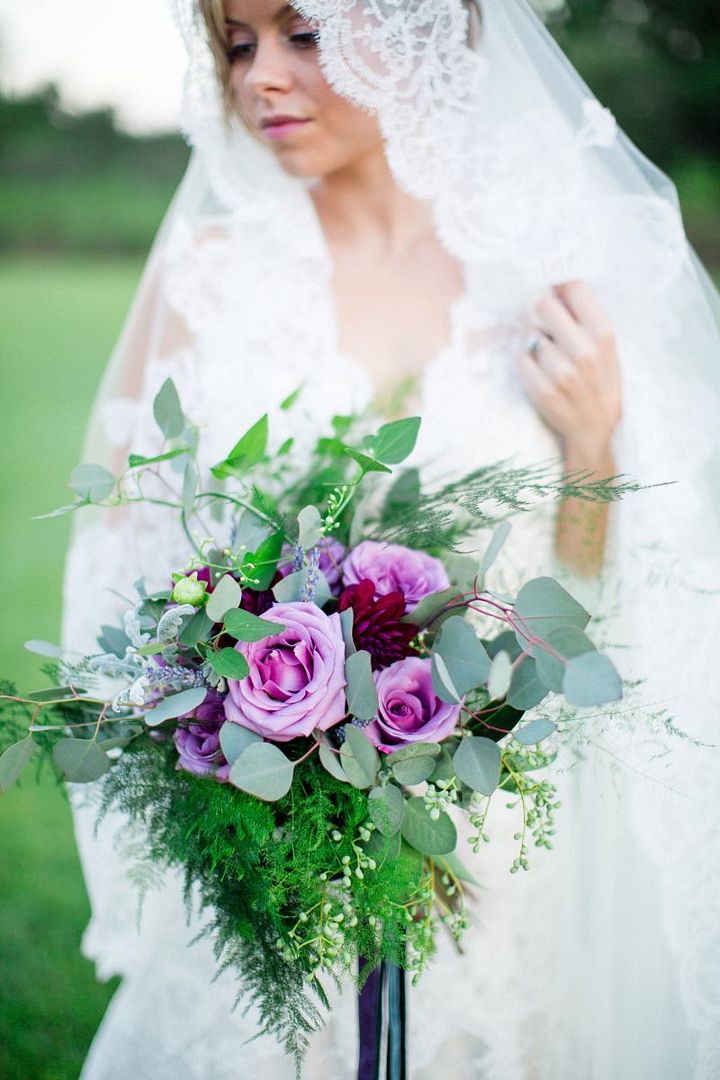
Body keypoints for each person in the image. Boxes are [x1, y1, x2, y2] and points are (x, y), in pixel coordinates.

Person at [61, 1, 720, 1077]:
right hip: (260, 847)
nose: (261, 77)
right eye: (237, 44)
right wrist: (231, 757)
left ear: (414, 31)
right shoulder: (208, 275)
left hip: (492, 839)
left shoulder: (539, 278)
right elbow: (124, 582)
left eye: (302, 33)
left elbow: (598, 611)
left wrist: (591, 452)